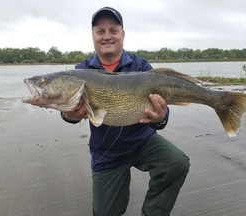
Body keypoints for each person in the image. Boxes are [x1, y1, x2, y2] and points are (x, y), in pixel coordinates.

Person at [61, 7, 190, 216]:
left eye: (113, 30)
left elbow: (161, 114)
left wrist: (161, 117)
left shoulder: (141, 66)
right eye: (100, 31)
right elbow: (69, 111)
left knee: (176, 163)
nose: (107, 36)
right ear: (93, 35)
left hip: (142, 141)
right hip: (107, 152)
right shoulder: (81, 71)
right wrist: (69, 115)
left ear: (123, 33)